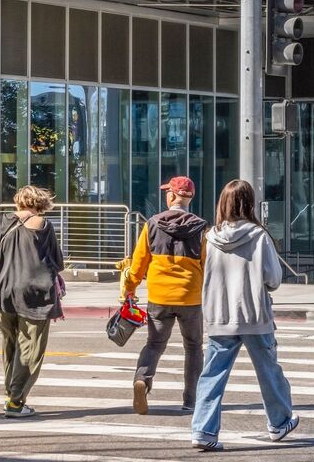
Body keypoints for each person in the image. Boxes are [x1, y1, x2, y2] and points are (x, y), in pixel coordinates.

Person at [190, 180, 298, 452]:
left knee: (212, 376)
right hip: (253, 315)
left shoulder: (209, 237)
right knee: (269, 371)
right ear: (250, 204)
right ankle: (279, 422)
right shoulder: (259, 236)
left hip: (219, 316)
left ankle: (203, 430)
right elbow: (273, 279)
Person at [0, 185, 64, 419]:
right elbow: (57, 262)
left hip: (0, 292)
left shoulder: (2, 221)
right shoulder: (44, 225)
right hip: (34, 294)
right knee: (30, 348)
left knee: (11, 343)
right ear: (40, 204)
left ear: (20, 201)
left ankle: (11, 394)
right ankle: (16, 402)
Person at [120, 176, 209, 415]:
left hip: (159, 296)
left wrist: (130, 288)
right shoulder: (201, 227)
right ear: (190, 198)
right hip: (191, 297)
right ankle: (191, 400)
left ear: (171, 196)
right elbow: (208, 263)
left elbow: (138, 264)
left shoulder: (152, 224)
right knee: (193, 347)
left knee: (155, 343)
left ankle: (142, 379)